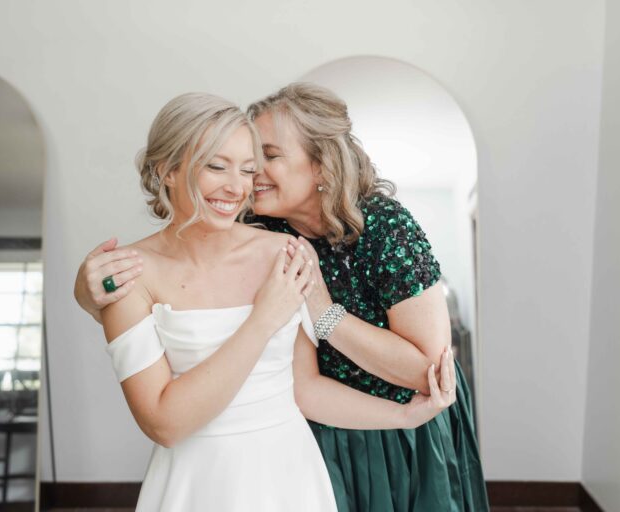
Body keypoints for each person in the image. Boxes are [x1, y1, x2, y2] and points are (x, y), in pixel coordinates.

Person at [97, 92, 458, 511]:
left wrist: (403, 416)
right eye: (217, 166)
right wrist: (263, 319)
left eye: (249, 168)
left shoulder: (287, 251)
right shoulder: (128, 274)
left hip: (298, 470)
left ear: (321, 166)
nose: (240, 186)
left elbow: (302, 388)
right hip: (196, 481)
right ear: (167, 170)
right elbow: (164, 423)